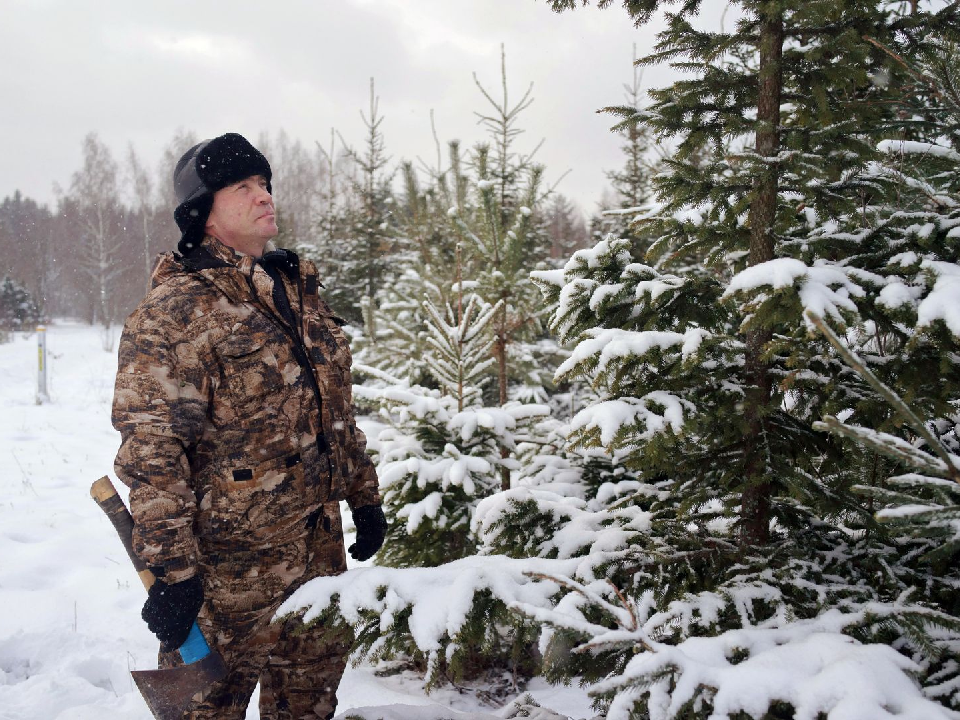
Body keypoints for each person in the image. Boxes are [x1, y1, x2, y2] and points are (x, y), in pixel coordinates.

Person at [111, 132, 387, 719]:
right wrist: (171, 573)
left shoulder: (295, 291)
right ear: (202, 214)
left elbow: (333, 412)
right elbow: (154, 450)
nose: (264, 196)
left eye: (265, 183)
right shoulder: (176, 311)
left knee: (309, 706)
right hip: (226, 576)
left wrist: (364, 497)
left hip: (317, 556)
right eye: (243, 186)